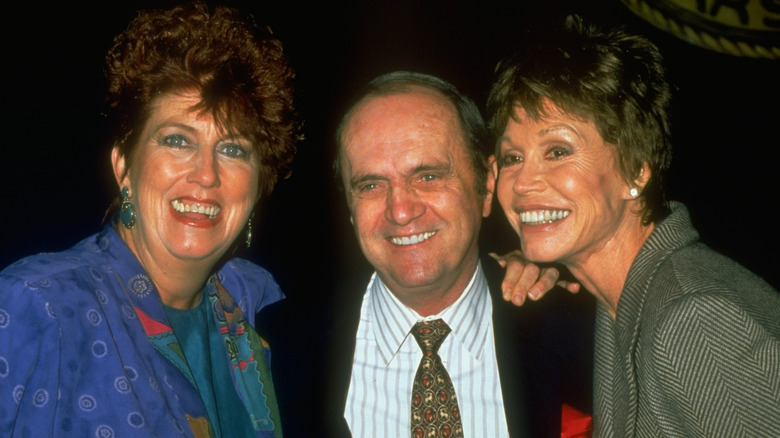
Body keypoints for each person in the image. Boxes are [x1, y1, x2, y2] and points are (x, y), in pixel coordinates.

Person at [0, 3, 298, 437]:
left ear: (257, 186)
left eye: (233, 149)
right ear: (124, 166)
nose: (207, 174)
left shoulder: (260, 308)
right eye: (178, 140)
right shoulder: (36, 306)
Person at [488, 15, 780, 437]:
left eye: (557, 151)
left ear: (636, 172)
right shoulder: (623, 303)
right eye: (512, 158)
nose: (522, 182)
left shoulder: (692, 317)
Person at [257, 71, 594, 438]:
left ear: (486, 184)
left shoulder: (581, 333)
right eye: (371, 185)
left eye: (428, 176)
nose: (400, 211)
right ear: (350, 209)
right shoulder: (277, 347)